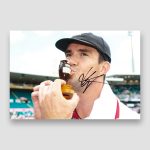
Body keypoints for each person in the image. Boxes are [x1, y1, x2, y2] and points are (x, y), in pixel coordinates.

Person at [31, 32, 140, 119]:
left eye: (83, 54)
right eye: (69, 54)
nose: (70, 61)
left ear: (103, 68)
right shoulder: (51, 106)